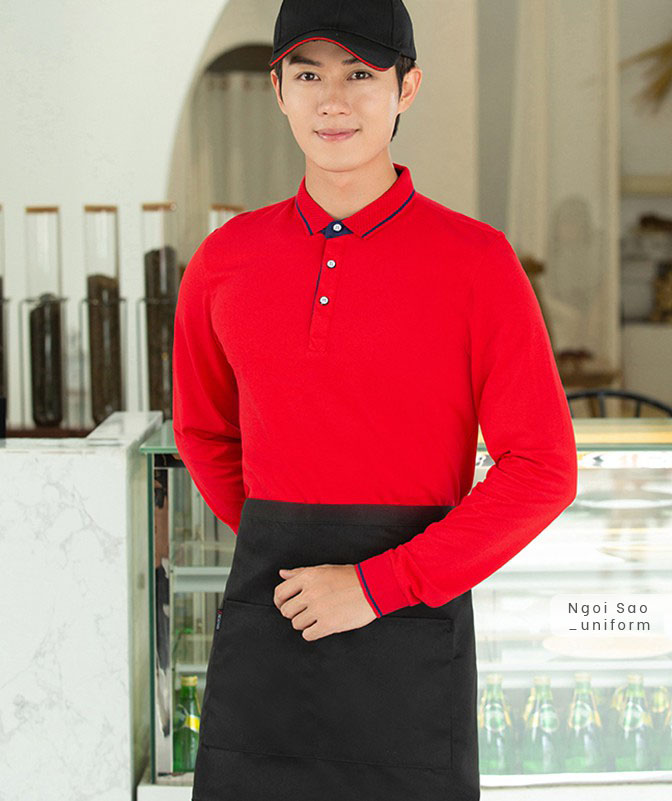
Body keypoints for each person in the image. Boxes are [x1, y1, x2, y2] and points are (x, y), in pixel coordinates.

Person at [172, 1, 578, 799]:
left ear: (407, 88)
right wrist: (279, 543)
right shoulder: (224, 260)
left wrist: (373, 584)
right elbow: (203, 432)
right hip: (273, 617)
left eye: (360, 73)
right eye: (308, 75)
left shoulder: (478, 263)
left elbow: (543, 468)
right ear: (277, 90)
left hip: (408, 638)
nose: (333, 100)